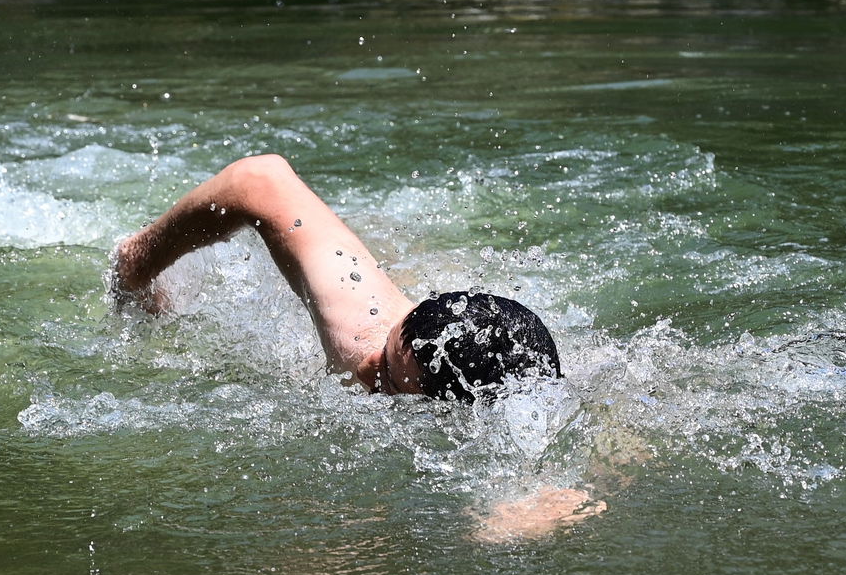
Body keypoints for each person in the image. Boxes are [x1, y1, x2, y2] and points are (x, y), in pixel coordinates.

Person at [109, 154, 562, 399]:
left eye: (387, 375)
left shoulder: (520, 395)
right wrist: (141, 263)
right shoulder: (363, 335)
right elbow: (260, 178)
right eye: (386, 356)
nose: (369, 367)